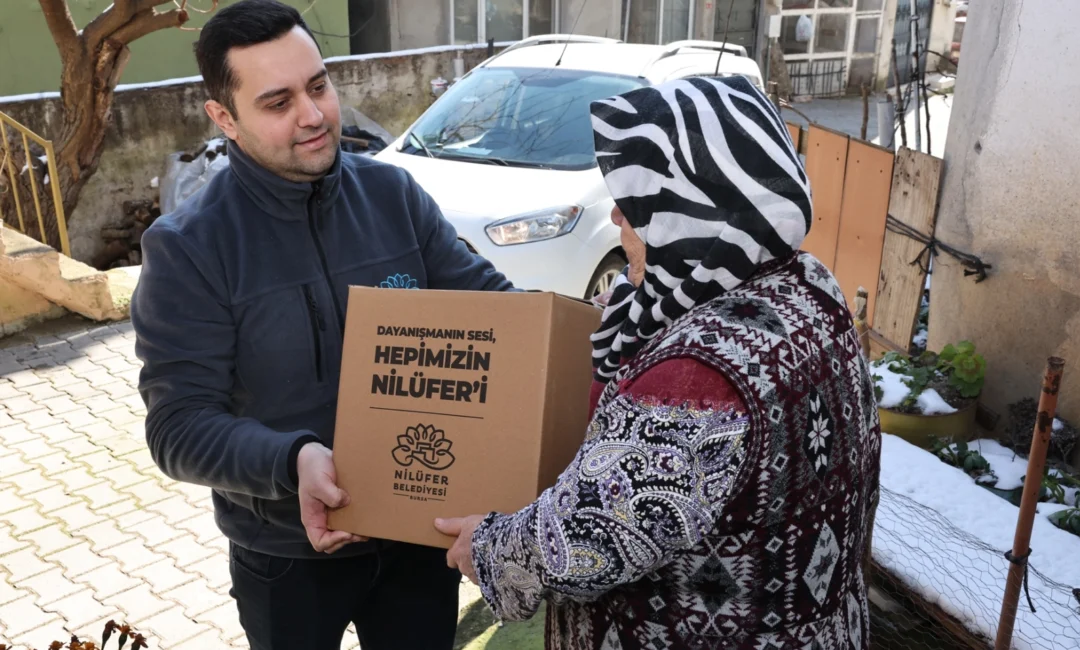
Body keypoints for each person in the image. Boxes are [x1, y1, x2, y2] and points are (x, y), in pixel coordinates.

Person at [436, 75, 882, 649]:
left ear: (691, 205)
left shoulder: (696, 379)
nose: (618, 218)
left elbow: (595, 534)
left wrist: (491, 547)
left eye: (636, 201)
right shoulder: (806, 284)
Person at [129, 1, 515, 648]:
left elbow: (500, 317)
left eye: (318, 86)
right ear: (224, 118)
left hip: (417, 534)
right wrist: (293, 459)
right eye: (278, 103)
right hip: (285, 555)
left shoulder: (395, 198)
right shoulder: (189, 248)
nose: (313, 116)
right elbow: (177, 429)